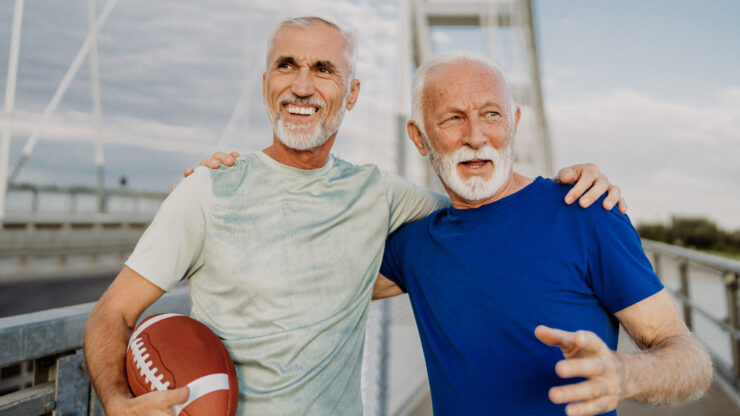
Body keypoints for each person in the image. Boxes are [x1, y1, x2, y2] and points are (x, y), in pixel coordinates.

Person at [84, 17, 624, 416]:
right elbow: (111, 316)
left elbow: (485, 208)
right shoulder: (206, 190)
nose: (302, 85)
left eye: (323, 69)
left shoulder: (380, 195)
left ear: (352, 94)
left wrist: (569, 188)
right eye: (286, 66)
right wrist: (113, 400)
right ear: (265, 83)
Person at [368, 51, 713, 416]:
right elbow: (321, 287)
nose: (476, 135)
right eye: (453, 118)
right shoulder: (416, 243)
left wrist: (625, 373)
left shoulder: (585, 211)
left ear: (514, 123)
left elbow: (691, 362)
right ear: (419, 138)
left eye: (491, 114)